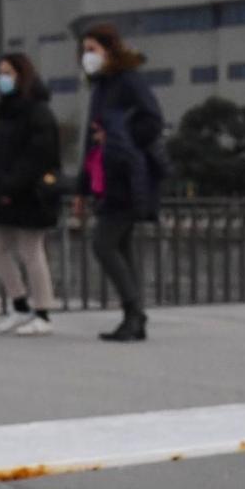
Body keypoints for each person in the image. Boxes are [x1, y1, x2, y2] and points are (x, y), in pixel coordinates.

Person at [76, 23, 165, 343]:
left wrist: (119, 137)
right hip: (107, 175)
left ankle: (135, 313)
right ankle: (133, 317)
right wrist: (83, 188)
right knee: (121, 247)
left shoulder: (128, 80)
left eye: (92, 50)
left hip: (127, 175)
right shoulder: (102, 86)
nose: (87, 57)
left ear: (109, 50)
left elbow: (152, 120)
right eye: (84, 51)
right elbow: (92, 141)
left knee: (104, 244)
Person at [0, 52, 63, 336]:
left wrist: (12, 185)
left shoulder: (37, 111)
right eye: (1, 72)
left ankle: (42, 312)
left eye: (8, 73)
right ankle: (19, 304)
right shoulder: (7, 111)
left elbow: (38, 156)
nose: (2, 78)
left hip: (30, 193)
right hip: (5, 192)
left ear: (22, 75)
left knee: (31, 251)